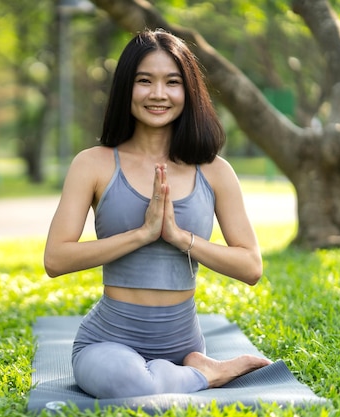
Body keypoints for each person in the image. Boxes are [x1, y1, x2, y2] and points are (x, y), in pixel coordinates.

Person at [43, 29, 272, 399]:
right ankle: (204, 375)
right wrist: (142, 234)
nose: (158, 94)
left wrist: (181, 238)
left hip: (182, 344)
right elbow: (55, 259)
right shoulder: (93, 164)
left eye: (172, 82)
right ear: (125, 89)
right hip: (108, 344)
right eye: (144, 81)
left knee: (144, 387)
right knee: (128, 384)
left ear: (189, 91)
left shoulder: (215, 171)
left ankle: (184, 369)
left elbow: (251, 267)